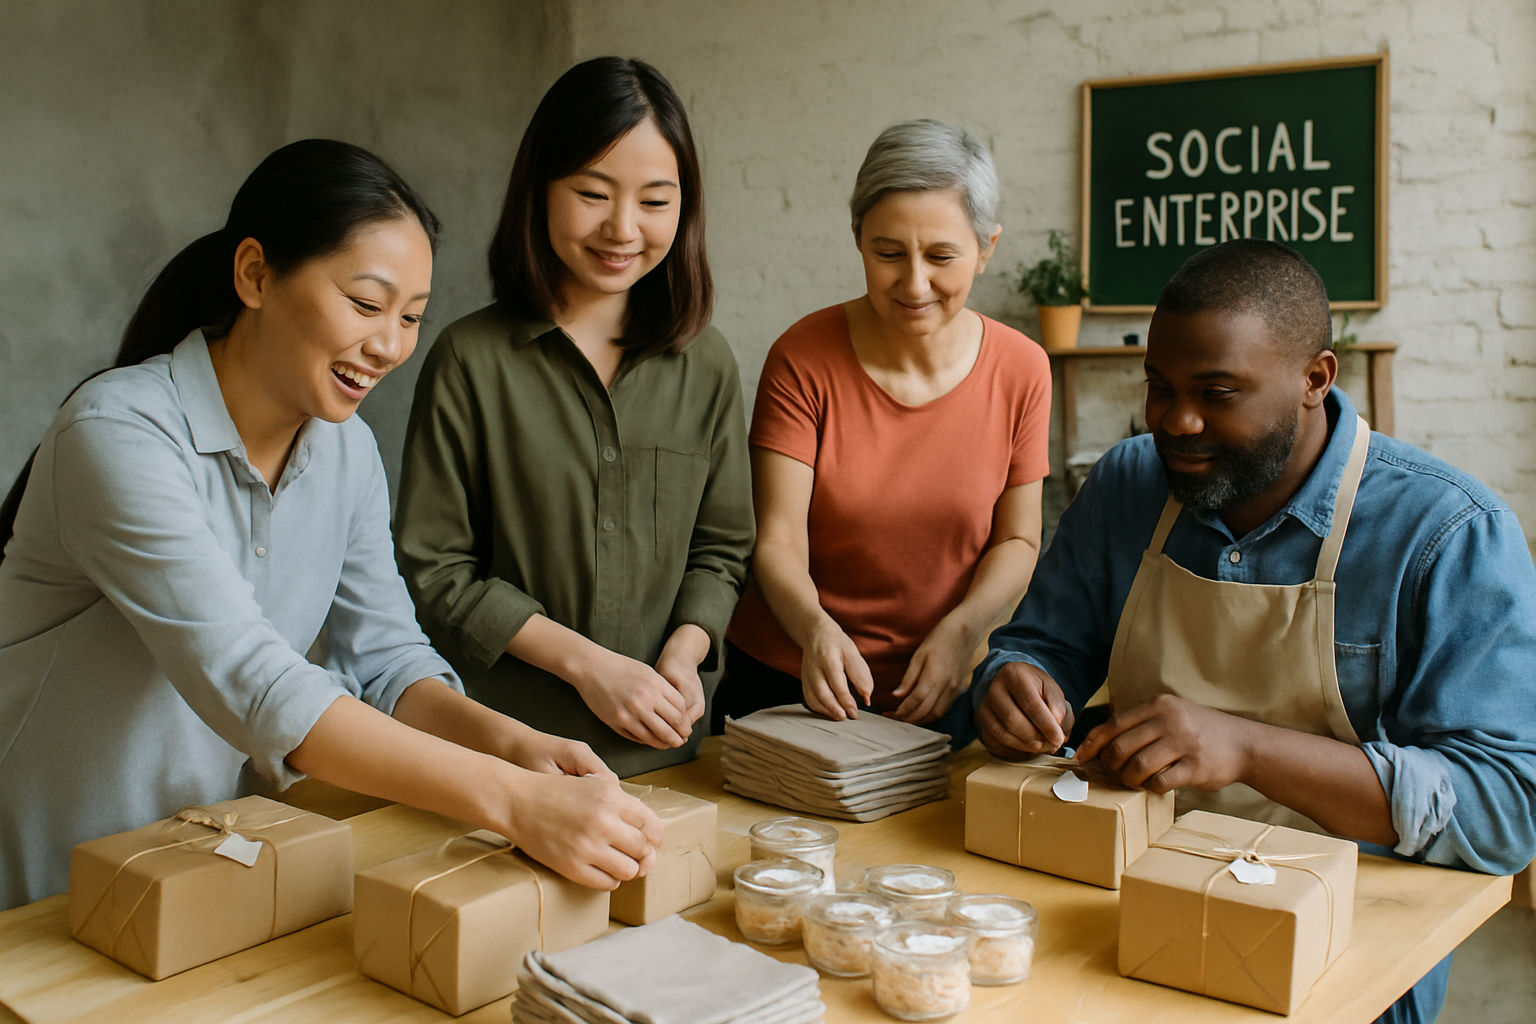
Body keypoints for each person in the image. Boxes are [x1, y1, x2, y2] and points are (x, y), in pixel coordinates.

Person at [0, 140, 662, 910]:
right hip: (39, 898)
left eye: (411, 317)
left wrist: (517, 748)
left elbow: (385, 661)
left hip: (188, 875)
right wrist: (513, 801)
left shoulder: (347, 451)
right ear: (255, 274)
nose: (390, 346)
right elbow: (255, 681)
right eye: (366, 305)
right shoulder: (118, 432)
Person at [973, 239, 1536, 1024]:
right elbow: (1042, 647)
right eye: (1159, 388)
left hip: (1341, 949)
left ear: (1315, 380)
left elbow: (1503, 811)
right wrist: (1014, 683)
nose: (1177, 421)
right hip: (1128, 911)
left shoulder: (1447, 534)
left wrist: (1246, 748)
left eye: (1217, 392)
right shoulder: (1128, 483)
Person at [394, 58, 754, 778]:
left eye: (655, 201)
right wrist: (592, 669)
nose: (623, 228)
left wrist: (684, 654)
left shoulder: (707, 363)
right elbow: (435, 570)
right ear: (540, 191)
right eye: (592, 194)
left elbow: (720, 550)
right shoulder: (469, 359)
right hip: (506, 761)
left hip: (669, 758)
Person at [718, 119, 1050, 743]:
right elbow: (778, 539)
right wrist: (814, 630)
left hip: (947, 681)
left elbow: (1018, 539)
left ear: (987, 248)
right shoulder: (802, 358)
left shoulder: (1022, 368)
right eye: (888, 254)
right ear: (858, 240)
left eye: (941, 256)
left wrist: (964, 632)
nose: (914, 284)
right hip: (796, 678)